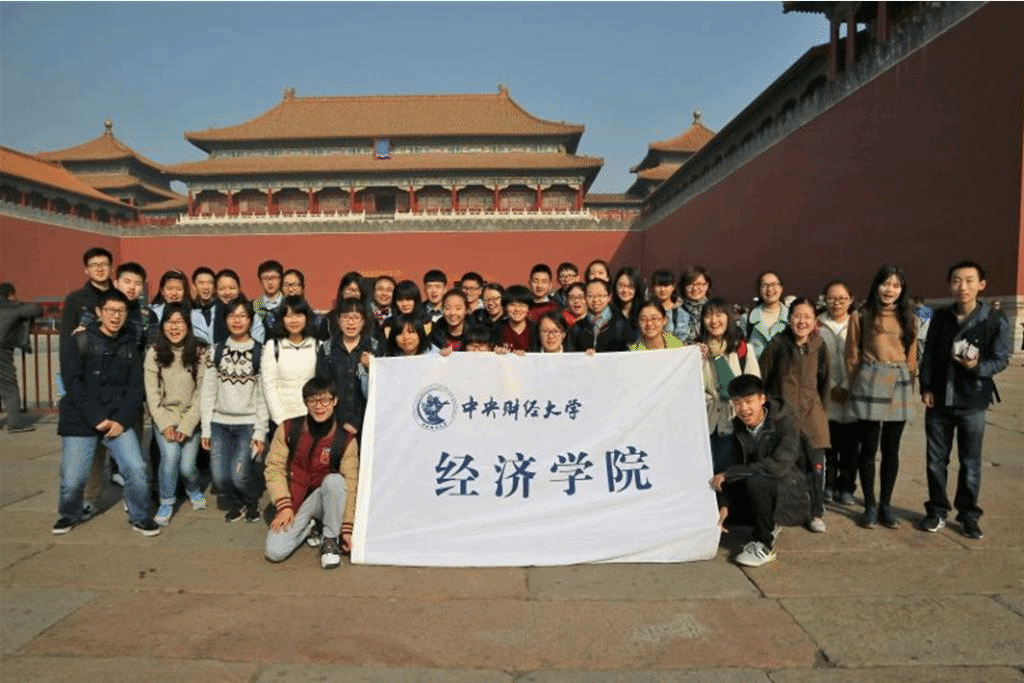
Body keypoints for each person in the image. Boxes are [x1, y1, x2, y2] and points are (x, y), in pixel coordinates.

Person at [52, 289, 159, 536]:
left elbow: (135, 388)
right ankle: (70, 513)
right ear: (99, 312)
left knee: (137, 470)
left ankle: (140, 516)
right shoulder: (79, 341)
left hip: (117, 420)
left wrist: (121, 420)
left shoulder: (130, 345)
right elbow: (72, 383)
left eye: (121, 311)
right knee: (73, 480)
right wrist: (97, 418)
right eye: (110, 310)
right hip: (81, 418)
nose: (116, 316)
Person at [918, 260, 1011, 539]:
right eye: (957, 281)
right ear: (950, 285)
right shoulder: (939, 317)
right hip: (939, 401)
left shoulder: (994, 319)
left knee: (970, 462)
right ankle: (937, 510)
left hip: (972, 401)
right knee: (936, 461)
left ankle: (969, 515)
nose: (963, 287)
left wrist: (978, 367)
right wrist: (926, 387)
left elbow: (1001, 359)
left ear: (982, 285)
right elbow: (929, 354)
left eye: (970, 281)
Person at [846, 265, 917, 529]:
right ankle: (869, 505)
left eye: (896, 285)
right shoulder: (861, 315)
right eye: (886, 284)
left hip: (898, 379)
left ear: (902, 289)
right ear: (876, 286)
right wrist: (857, 383)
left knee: (891, 449)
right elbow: (851, 354)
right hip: (869, 378)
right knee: (868, 449)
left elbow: (912, 355)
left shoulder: (909, 316)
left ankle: (886, 505)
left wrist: (909, 380)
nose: (890, 290)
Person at [709, 375, 804, 567]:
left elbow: (778, 465)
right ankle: (764, 523)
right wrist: (724, 503)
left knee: (756, 481)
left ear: (762, 399)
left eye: (748, 401)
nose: (743, 408)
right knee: (718, 487)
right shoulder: (736, 427)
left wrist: (730, 474)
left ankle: (764, 545)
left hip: (788, 491)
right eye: (737, 402)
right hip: (756, 487)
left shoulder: (785, 423)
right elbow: (732, 466)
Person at [264, 377, 359, 569]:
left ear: (334, 401)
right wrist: (283, 505)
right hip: (296, 502)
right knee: (275, 551)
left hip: (325, 500)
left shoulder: (346, 439)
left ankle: (330, 539)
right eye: (312, 400)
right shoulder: (288, 429)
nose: (319, 406)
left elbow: (351, 485)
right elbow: (274, 468)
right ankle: (310, 526)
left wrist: (347, 528)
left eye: (325, 400)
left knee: (335, 481)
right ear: (305, 402)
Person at [760, 297, 830, 533]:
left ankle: (815, 512)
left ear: (815, 321)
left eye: (807, 317)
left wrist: (821, 413)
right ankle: (782, 513)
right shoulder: (777, 345)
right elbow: (763, 379)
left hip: (812, 417)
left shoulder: (819, 346)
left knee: (815, 468)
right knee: (783, 467)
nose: (802, 321)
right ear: (789, 319)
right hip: (783, 418)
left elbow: (825, 382)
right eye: (797, 316)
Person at [200, 297, 268, 523]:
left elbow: (263, 396)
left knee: (239, 476)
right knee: (220, 478)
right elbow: (208, 391)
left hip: (247, 424)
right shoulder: (215, 351)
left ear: (251, 320)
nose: (237, 320)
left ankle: (251, 501)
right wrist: (206, 428)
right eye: (232, 315)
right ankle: (237, 504)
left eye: (242, 316)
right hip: (219, 424)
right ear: (225, 319)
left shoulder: (261, 353)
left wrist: (260, 431)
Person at [144, 304, 207, 525]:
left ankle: (193, 488)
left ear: (188, 325)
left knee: (187, 468)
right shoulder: (154, 352)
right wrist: (165, 424)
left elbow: (202, 393)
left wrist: (187, 424)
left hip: (191, 417)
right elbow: (152, 395)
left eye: (179, 322)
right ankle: (167, 501)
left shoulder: (199, 352)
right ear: (162, 326)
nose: (174, 327)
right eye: (169, 322)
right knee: (170, 458)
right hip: (165, 416)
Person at [698, 297, 760, 474]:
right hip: (706, 425)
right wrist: (698, 359)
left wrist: (718, 358)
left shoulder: (742, 349)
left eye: (719, 314)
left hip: (734, 424)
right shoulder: (697, 350)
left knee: (730, 478)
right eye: (708, 316)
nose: (714, 320)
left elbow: (753, 386)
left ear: (728, 317)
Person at [818, 280, 859, 505]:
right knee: (829, 444)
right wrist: (833, 385)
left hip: (853, 392)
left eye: (842, 298)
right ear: (824, 299)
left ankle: (847, 487)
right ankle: (829, 484)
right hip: (827, 393)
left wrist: (847, 385)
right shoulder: (817, 325)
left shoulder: (858, 323)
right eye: (832, 298)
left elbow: (862, 358)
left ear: (851, 300)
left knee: (851, 446)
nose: (837, 303)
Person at [315, 297, 383, 432]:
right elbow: (323, 387)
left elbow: (379, 390)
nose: (351, 322)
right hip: (334, 421)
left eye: (356, 317)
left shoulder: (374, 347)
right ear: (338, 320)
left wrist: (356, 421)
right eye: (346, 317)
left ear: (364, 321)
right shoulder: (327, 348)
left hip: (367, 422)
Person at [262, 296, 320, 429]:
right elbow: (269, 387)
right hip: (281, 421)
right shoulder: (272, 346)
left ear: (306, 317)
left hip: (312, 420)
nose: (294, 320)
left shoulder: (318, 346)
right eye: (288, 316)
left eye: (298, 315)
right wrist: (281, 421)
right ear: (282, 319)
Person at [0, 282, 42, 432]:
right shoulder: (14, 309)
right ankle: (15, 423)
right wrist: (18, 303)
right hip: (2, 352)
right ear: (11, 295)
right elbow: (37, 310)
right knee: (9, 388)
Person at [193, 269, 266, 345]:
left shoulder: (251, 311)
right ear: (216, 290)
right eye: (222, 289)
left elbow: (258, 342)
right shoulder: (206, 315)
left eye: (232, 288)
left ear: (239, 289)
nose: (227, 293)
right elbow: (205, 344)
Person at [59, 247, 113, 341]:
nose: (100, 269)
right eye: (94, 265)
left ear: (111, 268)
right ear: (86, 270)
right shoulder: (75, 299)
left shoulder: (120, 297)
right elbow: (67, 336)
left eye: (104, 264)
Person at [568, 279, 634, 353]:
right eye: (590, 296)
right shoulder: (578, 328)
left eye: (600, 296)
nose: (595, 300)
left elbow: (636, 349)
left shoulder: (621, 325)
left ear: (609, 297)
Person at [742, 271, 789, 358]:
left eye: (774, 284)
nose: (770, 289)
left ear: (781, 288)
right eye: (764, 285)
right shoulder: (747, 319)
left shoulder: (791, 318)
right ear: (759, 290)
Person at [147, 270, 190, 345]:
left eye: (179, 289)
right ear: (162, 291)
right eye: (170, 289)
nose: (174, 293)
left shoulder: (194, 314)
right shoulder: (152, 313)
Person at [494, 285, 538, 353]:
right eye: (512, 305)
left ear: (528, 308)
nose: (517, 309)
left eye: (522, 305)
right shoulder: (496, 329)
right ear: (505, 307)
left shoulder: (536, 329)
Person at [674, 266, 712, 344]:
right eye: (690, 285)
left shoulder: (714, 309)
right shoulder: (676, 311)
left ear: (707, 286)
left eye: (699, 284)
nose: (695, 289)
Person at [253, 259, 284, 333]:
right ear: (260, 280)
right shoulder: (254, 306)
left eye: (274, 278)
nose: (270, 282)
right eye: (265, 278)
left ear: (280, 279)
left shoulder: (289, 304)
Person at [611, 267, 643, 336]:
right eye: (621, 285)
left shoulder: (643, 311)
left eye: (630, 286)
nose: (625, 290)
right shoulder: (608, 313)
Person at [649, 269, 682, 334]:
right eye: (659, 286)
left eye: (666, 285)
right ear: (652, 288)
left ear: (673, 287)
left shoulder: (679, 311)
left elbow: (682, 336)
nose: (662, 289)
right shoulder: (647, 309)